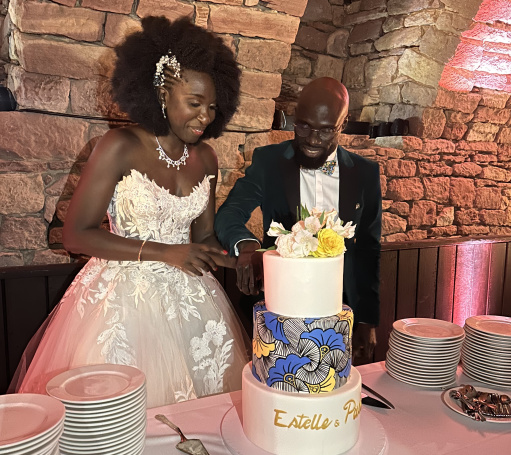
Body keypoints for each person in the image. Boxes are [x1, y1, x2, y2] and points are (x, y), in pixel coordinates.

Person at [11, 16, 250, 407]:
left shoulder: (206, 157)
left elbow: (204, 237)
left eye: (212, 107)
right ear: (162, 94)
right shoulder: (119, 145)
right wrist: (166, 253)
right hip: (121, 300)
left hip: (190, 299)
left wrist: (236, 259)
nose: (205, 117)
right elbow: (76, 234)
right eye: (194, 104)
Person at [214, 77, 382, 365]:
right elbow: (230, 213)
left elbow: (368, 248)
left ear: (342, 125)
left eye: (326, 130)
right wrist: (247, 246)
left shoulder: (365, 173)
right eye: (303, 126)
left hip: (339, 308)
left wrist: (367, 320)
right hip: (280, 305)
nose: (313, 140)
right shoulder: (269, 161)